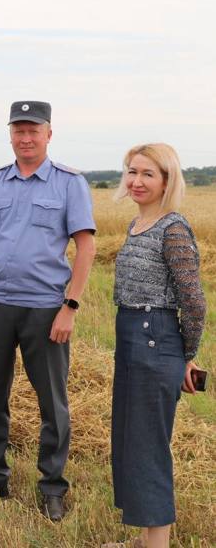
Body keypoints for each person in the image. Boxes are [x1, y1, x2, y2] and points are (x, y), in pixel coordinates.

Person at [0, 101, 96, 521]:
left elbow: (86, 247)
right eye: (19, 130)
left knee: (53, 402)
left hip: (45, 310)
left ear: (49, 134)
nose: (26, 137)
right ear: (10, 135)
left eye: (33, 130)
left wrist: (69, 307)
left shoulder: (70, 184)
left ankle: (52, 486)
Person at [103, 144, 206, 548]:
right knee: (132, 439)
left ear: (167, 180)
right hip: (131, 336)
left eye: (148, 173)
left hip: (154, 337)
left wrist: (187, 355)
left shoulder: (173, 228)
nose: (137, 181)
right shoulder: (137, 225)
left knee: (148, 447)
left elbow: (193, 301)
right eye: (132, 172)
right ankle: (147, 539)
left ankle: (157, 544)